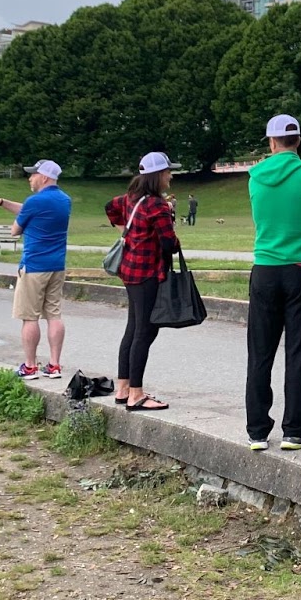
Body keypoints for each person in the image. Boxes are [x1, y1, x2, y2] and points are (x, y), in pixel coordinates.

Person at [246, 114, 301, 450]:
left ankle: (256, 429)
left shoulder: (255, 178)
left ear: (271, 142)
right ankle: (295, 429)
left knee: (260, 351)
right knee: (298, 350)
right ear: (298, 141)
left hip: (265, 268)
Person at [0, 159, 71, 380]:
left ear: (44, 177)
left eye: (33, 174)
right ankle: (54, 365)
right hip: (57, 265)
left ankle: (30, 366)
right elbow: (29, 210)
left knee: (30, 317)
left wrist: (22, 220)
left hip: (33, 266)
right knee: (54, 315)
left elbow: (15, 230)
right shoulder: (64, 200)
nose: (30, 178)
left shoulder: (34, 201)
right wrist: (3, 202)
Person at [105, 152, 179, 412]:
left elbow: (109, 207)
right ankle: (136, 393)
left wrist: (126, 228)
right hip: (148, 273)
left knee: (133, 327)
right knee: (145, 331)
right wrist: (171, 223)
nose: (171, 176)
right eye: (168, 172)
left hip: (129, 271)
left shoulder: (130, 199)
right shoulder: (157, 205)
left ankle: (122, 387)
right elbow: (169, 244)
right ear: (158, 175)